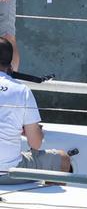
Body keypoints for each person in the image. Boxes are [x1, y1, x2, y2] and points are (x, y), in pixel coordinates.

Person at [0, 39, 71, 183]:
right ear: (10, 63)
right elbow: (35, 144)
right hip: (8, 173)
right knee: (63, 159)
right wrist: (32, 130)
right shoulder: (22, 91)